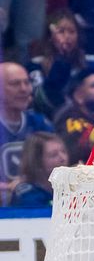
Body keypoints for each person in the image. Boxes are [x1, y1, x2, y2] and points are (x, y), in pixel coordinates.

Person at [0, 62, 53, 205]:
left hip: (37, 201)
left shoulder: (40, 123)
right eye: (15, 84)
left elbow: (56, 167)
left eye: (26, 82)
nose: (24, 89)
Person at [10, 132, 69, 206]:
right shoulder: (27, 195)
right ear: (37, 161)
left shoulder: (69, 187)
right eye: (53, 155)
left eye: (63, 151)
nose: (63, 158)